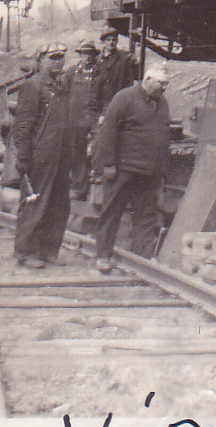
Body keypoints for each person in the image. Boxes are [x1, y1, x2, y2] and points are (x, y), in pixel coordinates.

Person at [91, 65, 172, 272]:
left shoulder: (162, 103)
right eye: (161, 83)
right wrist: (108, 164)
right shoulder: (124, 98)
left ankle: (143, 256)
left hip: (149, 172)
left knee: (146, 215)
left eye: (166, 84)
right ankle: (103, 256)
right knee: (112, 213)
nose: (164, 88)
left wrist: (162, 169)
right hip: (123, 170)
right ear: (147, 80)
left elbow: (163, 135)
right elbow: (108, 132)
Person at [10, 42, 81, 267]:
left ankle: (49, 250)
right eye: (53, 57)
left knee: (59, 205)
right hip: (40, 155)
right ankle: (26, 252)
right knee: (35, 202)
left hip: (61, 155)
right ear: (41, 60)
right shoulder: (33, 85)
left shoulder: (63, 84)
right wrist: (23, 157)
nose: (58, 61)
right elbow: (23, 124)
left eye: (61, 57)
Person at [67, 40, 104, 200]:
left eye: (90, 54)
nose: (88, 57)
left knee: (99, 145)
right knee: (77, 151)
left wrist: (104, 114)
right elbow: (63, 92)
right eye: (85, 54)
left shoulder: (101, 73)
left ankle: (97, 180)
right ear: (80, 55)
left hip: (95, 116)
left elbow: (108, 96)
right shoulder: (72, 72)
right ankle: (79, 188)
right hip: (76, 117)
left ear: (94, 56)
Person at [96, 27, 140, 109]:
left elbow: (135, 77)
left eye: (114, 40)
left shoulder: (125, 57)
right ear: (103, 41)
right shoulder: (97, 59)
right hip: (101, 99)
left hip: (118, 98)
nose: (111, 42)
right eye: (108, 40)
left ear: (117, 41)